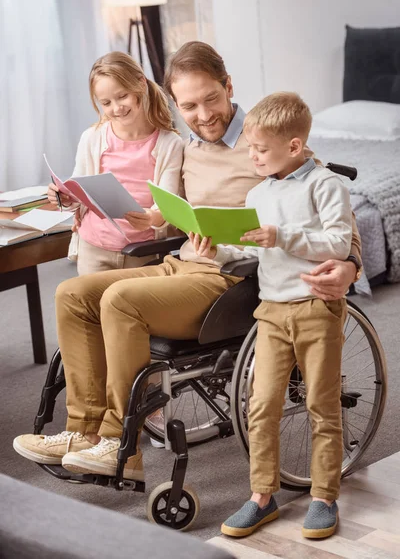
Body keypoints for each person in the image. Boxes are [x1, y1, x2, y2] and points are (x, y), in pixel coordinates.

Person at [13, 42, 362, 488]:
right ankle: (81, 432)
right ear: (176, 105)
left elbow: (332, 205)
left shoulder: (263, 142)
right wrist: (151, 218)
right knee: (72, 293)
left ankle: (122, 443)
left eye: (211, 99)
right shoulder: (187, 147)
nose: (204, 115)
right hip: (182, 264)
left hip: (233, 279)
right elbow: (166, 210)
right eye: (190, 106)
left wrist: (349, 263)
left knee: (120, 299)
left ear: (229, 86)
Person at [190, 91, 352, 539]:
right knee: (260, 406)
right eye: (251, 148)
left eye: (261, 150)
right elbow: (248, 246)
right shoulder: (258, 192)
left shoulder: (325, 185)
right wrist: (216, 248)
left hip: (316, 308)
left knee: (322, 404)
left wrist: (281, 235)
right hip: (272, 313)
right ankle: (262, 496)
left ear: (295, 146)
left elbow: (338, 242)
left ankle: (323, 496)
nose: (253, 156)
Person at [47, 51, 183, 276]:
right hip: (94, 248)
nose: (117, 108)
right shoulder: (92, 138)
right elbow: (78, 193)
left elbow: (168, 205)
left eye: (122, 96)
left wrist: (151, 217)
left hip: (143, 253)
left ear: (140, 83)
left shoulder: (169, 144)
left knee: (132, 309)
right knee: (92, 309)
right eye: (106, 103)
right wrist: (63, 197)